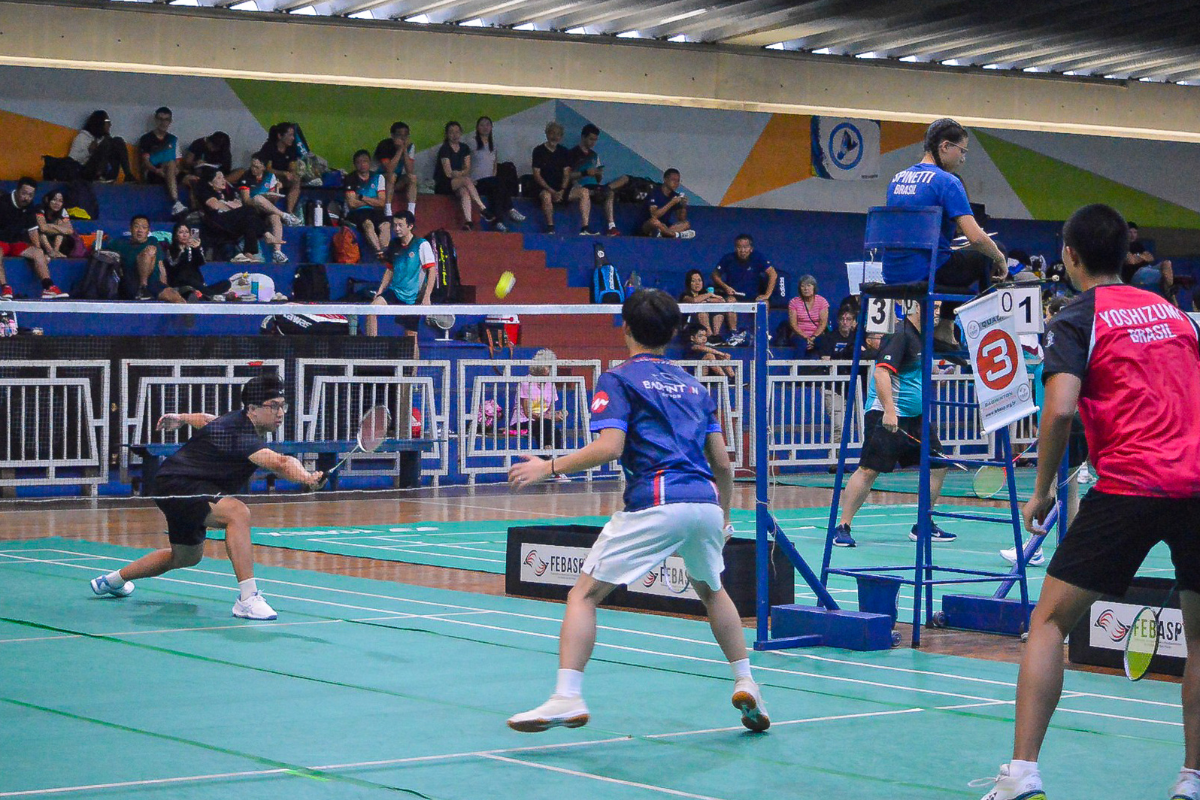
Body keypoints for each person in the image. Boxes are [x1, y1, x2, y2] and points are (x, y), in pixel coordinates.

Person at [975, 204, 1200, 800]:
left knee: (1049, 622)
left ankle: (1022, 774)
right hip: (1197, 484)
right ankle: (1192, 779)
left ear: (1069, 256)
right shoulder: (1177, 315)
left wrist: (1043, 489)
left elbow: (1059, 410)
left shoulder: (1076, 318)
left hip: (1129, 485)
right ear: (1126, 255)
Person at [505, 289, 769, 734]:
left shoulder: (619, 379)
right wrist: (724, 518)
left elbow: (610, 447)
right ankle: (747, 681)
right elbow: (724, 465)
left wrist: (548, 466)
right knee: (712, 591)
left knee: (583, 595)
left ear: (625, 328)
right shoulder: (695, 386)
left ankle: (567, 695)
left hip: (658, 502)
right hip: (705, 502)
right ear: (674, 331)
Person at [89, 374, 323, 621]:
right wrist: (307, 478)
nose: (280, 413)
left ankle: (112, 581)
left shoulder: (234, 422)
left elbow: (207, 420)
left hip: (175, 485)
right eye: (273, 406)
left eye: (283, 406)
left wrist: (181, 418)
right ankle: (248, 599)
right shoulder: (241, 435)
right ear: (253, 409)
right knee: (237, 513)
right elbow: (280, 463)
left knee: (185, 557)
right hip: (180, 483)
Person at [830, 299, 957, 547]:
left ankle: (923, 523)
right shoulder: (901, 334)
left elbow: (945, 351)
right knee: (869, 469)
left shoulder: (925, 335)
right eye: (934, 307)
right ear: (918, 306)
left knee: (938, 465)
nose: (937, 312)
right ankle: (842, 526)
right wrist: (889, 411)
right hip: (887, 414)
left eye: (940, 308)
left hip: (916, 418)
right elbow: (881, 373)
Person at [884, 118, 1007, 343]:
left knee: (956, 258)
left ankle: (947, 328)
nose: (963, 158)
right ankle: (983, 331)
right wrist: (999, 258)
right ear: (945, 146)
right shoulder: (947, 182)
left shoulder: (896, 179)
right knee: (990, 251)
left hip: (892, 272)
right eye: (962, 150)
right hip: (927, 272)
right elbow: (976, 238)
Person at [365, 211, 435, 350]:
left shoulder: (421, 245)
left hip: (413, 298)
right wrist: (380, 290)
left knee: (410, 337)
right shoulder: (394, 244)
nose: (396, 228)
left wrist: (427, 296)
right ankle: (372, 349)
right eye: (395, 225)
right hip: (395, 291)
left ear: (410, 226)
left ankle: (414, 365)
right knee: (371, 310)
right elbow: (390, 269)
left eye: (400, 225)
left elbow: (432, 271)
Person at [0, 178, 69, 300]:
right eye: (24, 193)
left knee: (38, 252)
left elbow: (33, 231)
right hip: (1, 242)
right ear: (17, 191)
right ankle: (5, 288)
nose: (26, 198)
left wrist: (40, 252)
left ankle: (48, 287)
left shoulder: (30, 207)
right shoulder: (2, 202)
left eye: (30, 195)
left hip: (16, 242)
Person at [195, 169, 273, 264]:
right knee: (249, 209)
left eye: (223, 177)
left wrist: (226, 204)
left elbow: (238, 205)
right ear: (210, 183)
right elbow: (215, 205)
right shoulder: (205, 191)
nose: (223, 180)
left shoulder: (228, 192)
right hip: (216, 222)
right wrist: (230, 205)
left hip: (230, 222)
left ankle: (248, 253)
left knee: (250, 219)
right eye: (219, 178)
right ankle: (266, 234)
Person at [710, 233, 776, 345]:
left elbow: (773, 274)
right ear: (735, 248)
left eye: (745, 247)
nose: (742, 250)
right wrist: (725, 287)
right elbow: (715, 275)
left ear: (751, 248)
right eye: (739, 247)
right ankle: (734, 334)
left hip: (754, 296)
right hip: (734, 295)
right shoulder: (728, 258)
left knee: (764, 303)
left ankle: (761, 333)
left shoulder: (758, 257)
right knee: (730, 301)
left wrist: (767, 295)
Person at [568, 124, 630, 236]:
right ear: (583, 137)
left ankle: (611, 226)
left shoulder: (594, 155)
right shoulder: (572, 154)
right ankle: (585, 227)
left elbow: (598, 179)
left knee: (610, 192)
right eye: (591, 139)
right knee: (585, 192)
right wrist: (585, 173)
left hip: (594, 186)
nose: (593, 142)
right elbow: (568, 176)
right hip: (580, 187)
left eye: (595, 140)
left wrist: (598, 174)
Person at [108, 215, 183, 302]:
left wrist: (165, 286)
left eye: (144, 227)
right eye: (136, 226)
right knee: (148, 253)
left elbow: (160, 266)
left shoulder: (153, 241)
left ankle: (145, 289)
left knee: (176, 297)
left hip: (153, 283)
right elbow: (103, 253)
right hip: (131, 283)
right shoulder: (119, 243)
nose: (140, 230)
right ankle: (143, 288)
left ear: (148, 231)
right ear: (130, 229)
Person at [435, 121, 493, 231]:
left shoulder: (464, 148)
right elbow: (448, 173)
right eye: (451, 132)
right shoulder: (445, 148)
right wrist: (460, 174)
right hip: (444, 183)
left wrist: (459, 174)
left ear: (461, 133)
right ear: (447, 134)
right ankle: (482, 207)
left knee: (464, 191)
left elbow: (467, 168)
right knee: (466, 180)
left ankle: (468, 221)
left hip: (458, 182)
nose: (455, 135)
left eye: (457, 132)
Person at [469, 116, 523, 232]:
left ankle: (498, 222)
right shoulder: (472, 143)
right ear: (477, 127)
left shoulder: (493, 145)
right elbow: (466, 163)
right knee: (498, 182)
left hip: (491, 182)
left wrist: (493, 178)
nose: (485, 127)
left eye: (487, 125)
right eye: (482, 125)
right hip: (476, 182)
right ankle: (510, 208)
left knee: (497, 191)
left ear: (491, 127)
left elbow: (494, 166)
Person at [511, 348, 568, 456]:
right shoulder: (526, 382)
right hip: (523, 421)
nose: (549, 369)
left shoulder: (551, 384)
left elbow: (550, 411)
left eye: (550, 366)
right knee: (544, 424)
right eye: (547, 366)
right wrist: (548, 417)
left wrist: (558, 414)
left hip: (544, 421)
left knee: (555, 430)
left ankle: (555, 458)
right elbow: (528, 413)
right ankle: (546, 451)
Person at [162, 222, 231, 301]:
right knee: (187, 279)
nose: (184, 235)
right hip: (180, 282)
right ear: (176, 235)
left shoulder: (193, 248)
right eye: (181, 232)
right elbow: (175, 265)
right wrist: (183, 251)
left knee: (226, 283)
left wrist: (197, 248)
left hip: (196, 282)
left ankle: (206, 294)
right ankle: (209, 294)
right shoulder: (171, 249)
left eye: (187, 232)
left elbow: (201, 262)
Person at [138, 106, 187, 216]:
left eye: (166, 120)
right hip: (155, 172)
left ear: (170, 121)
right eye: (160, 119)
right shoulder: (146, 139)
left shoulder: (173, 139)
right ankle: (176, 202)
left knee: (192, 179)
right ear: (156, 120)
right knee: (170, 163)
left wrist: (177, 170)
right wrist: (156, 171)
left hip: (171, 171)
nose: (163, 122)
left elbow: (178, 161)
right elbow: (146, 162)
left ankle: (196, 212)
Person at [235, 154, 303, 233]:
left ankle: (278, 241)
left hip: (266, 209)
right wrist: (261, 198)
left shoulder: (270, 176)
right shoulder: (245, 177)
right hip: (252, 209)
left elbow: (274, 200)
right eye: (252, 166)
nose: (253, 169)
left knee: (275, 217)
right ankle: (285, 216)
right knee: (258, 198)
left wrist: (276, 189)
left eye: (256, 167)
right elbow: (246, 201)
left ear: (263, 167)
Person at [531, 121, 578, 235]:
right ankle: (550, 227)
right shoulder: (538, 151)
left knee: (584, 192)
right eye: (552, 133)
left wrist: (562, 190)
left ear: (561, 137)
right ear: (547, 133)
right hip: (544, 188)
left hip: (560, 189)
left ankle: (585, 228)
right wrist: (552, 191)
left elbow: (567, 173)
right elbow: (537, 175)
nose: (555, 137)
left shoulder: (564, 152)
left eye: (558, 134)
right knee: (546, 196)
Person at [344, 149, 391, 260]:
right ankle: (380, 252)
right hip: (357, 212)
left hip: (375, 211)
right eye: (359, 162)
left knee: (386, 225)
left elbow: (382, 203)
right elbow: (352, 204)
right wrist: (373, 200)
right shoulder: (350, 179)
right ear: (355, 164)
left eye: (365, 161)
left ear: (369, 162)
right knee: (368, 224)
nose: (362, 164)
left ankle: (385, 251)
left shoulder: (378, 177)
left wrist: (362, 197)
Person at [68, 110, 134, 183]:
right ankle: (98, 176)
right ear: (99, 122)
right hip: (88, 173)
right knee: (107, 142)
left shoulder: (104, 139)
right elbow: (71, 161)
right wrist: (89, 151)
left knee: (118, 140)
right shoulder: (82, 137)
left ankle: (128, 175)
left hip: (107, 171)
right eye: (107, 121)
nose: (110, 124)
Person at [256, 123, 302, 217]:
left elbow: (292, 165)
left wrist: (293, 172)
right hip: (268, 178)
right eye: (290, 135)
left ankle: (289, 212)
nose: (293, 138)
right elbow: (268, 169)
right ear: (280, 136)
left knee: (296, 181)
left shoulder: (291, 149)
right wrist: (283, 173)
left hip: (282, 179)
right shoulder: (269, 147)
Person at [374, 121, 418, 219]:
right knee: (391, 176)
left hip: (396, 181)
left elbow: (410, 170)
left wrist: (405, 150)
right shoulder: (384, 145)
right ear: (393, 136)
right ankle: (387, 210)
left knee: (412, 178)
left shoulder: (410, 147)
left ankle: (411, 212)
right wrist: (399, 150)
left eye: (406, 135)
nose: (403, 138)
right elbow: (389, 169)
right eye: (399, 135)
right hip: (379, 180)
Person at [640, 168, 694, 240]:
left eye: (678, 181)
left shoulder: (675, 196)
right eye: (673, 180)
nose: (676, 183)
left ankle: (663, 234)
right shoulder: (654, 193)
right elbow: (655, 215)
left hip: (664, 226)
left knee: (686, 224)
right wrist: (671, 203)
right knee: (655, 222)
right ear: (665, 179)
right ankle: (675, 235)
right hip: (647, 225)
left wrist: (683, 206)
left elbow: (681, 219)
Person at [679, 268, 728, 342]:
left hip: (705, 324)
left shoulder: (704, 294)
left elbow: (721, 300)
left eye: (699, 280)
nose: (697, 283)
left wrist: (708, 299)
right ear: (689, 283)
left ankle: (716, 336)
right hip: (690, 327)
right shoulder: (685, 295)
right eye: (693, 281)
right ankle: (709, 336)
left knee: (719, 311)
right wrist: (709, 294)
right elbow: (694, 300)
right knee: (702, 311)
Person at [787, 275, 830, 357]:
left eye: (809, 285)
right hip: (799, 335)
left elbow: (823, 323)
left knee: (823, 342)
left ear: (814, 287)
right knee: (801, 344)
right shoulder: (794, 302)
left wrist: (813, 337)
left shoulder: (822, 301)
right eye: (803, 286)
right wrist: (806, 337)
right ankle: (798, 365)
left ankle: (826, 364)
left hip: (817, 334)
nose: (806, 288)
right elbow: (793, 324)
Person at [35, 189, 76, 259]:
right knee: (41, 234)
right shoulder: (40, 208)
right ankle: (50, 251)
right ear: (47, 200)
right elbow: (42, 228)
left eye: (60, 201)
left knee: (60, 232)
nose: (57, 203)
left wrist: (51, 226)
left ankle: (55, 251)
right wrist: (60, 228)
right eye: (54, 200)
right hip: (40, 241)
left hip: (54, 240)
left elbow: (70, 230)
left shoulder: (63, 211)